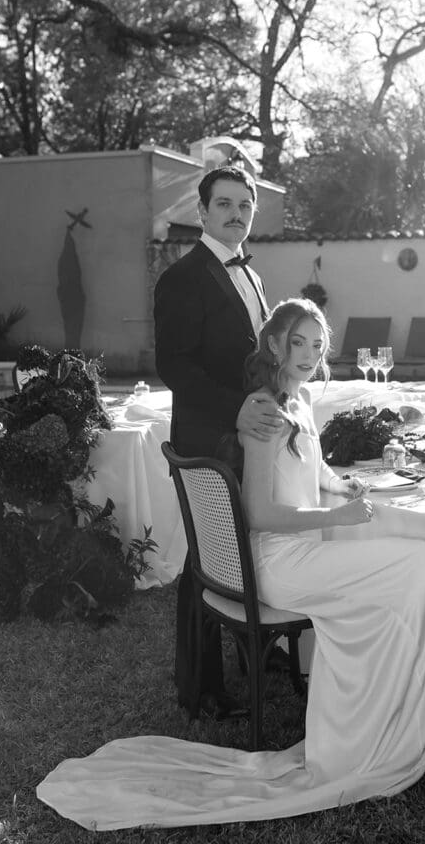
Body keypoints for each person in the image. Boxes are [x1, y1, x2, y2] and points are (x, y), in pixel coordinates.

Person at [37, 298, 425, 830]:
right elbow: (258, 512)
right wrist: (344, 517)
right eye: (298, 343)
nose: (308, 354)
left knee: (412, 571)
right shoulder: (264, 410)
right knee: (420, 561)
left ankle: (393, 710)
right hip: (278, 563)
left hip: (302, 553)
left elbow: (312, 465)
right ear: (276, 345)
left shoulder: (300, 399)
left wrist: (338, 484)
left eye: (318, 345)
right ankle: (380, 728)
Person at [153, 164, 284, 719]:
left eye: (244, 205)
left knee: (248, 546)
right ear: (202, 211)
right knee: (208, 561)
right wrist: (236, 410)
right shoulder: (182, 278)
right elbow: (174, 367)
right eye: (224, 204)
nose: (236, 214)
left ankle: (255, 648)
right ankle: (201, 687)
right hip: (209, 439)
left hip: (250, 436)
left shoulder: (251, 277)